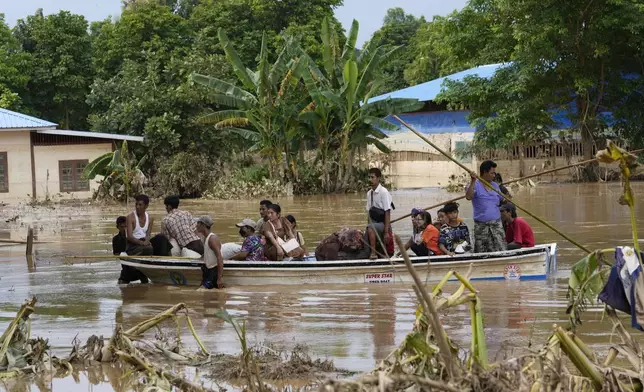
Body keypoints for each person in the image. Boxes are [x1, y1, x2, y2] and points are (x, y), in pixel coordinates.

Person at [465, 160, 507, 253]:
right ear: (484, 172)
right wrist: (472, 181)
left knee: (501, 249)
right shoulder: (475, 185)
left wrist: (507, 198)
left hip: (496, 225)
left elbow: (502, 200)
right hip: (481, 226)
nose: (494, 175)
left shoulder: (495, 186)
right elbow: (468, 197)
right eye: (492, 173)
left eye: (494, 173)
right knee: (482, 251)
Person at [120, 195, 152, 284]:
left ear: (146, 206)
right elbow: (129, 237)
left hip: (143, 245)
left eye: (140, 205)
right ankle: (137, 269)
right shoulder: (130, 217)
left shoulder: (150, 218)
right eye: (136, 204)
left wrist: (146, 241)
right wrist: (142, 243)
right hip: (132, 246)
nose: (137, 207)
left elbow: (148, 234)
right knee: (149, 249)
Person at [365, 167, 394, 259]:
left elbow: (387, 212)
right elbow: (369, 212)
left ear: (378, 178)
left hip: (383, 223)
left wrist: (386, 232)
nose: (370, 179)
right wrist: (368, 224)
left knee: (370, 228)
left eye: (372, 177)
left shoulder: (384, 192)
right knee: (367, 231)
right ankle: (369, 254)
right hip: (374, 222)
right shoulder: (369, 193)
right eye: (369, 177)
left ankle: (373, 253)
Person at [195, 216, 224, 289]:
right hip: (207, 271)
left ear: (203, 225)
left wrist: (219, 279)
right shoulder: (205, 238)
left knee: (201, 292)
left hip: (213, 272)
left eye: (198, 223)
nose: (196, 225)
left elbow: (219, 258)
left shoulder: (212, 239)